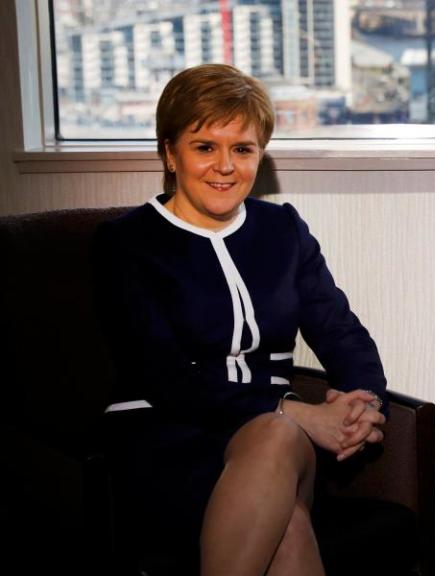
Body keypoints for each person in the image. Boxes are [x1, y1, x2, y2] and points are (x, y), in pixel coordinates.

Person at [94, 63, 387, 576]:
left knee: (274, 436)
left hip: (271, 441)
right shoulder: (126, 243)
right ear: (169, 152)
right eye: (205, 146)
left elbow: (341, 331)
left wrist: (363, 400)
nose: (225, 166)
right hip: (165, 435)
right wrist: (296, 410)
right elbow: (162, 374)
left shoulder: (283, 230)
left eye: (243, 149)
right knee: (288, 523)